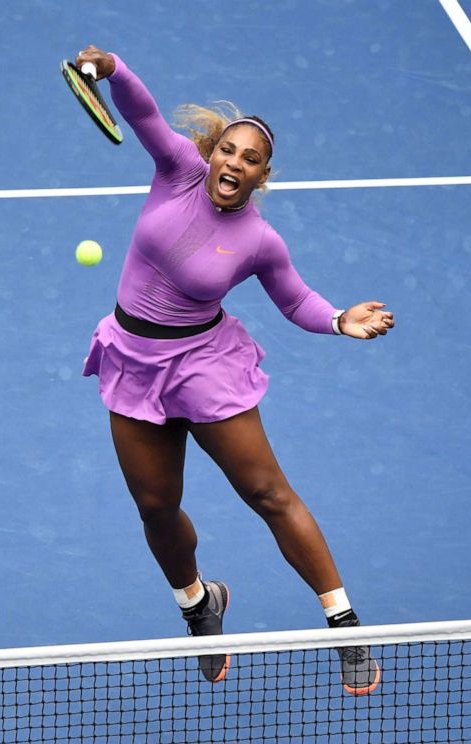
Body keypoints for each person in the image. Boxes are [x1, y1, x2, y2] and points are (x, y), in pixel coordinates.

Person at [76, 44, 394, 696]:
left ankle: (344, 625)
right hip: (135, 362)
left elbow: (295, 300)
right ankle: (199, 605)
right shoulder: (177, 171)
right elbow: (142, 115)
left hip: (204, 366)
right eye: (229, 150)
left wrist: (338, 318)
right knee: (156, 506)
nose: (235, 163)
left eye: (250, 160)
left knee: (268, 493)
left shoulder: (259, 241)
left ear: (261, 176)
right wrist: (113, 70)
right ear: (213, 152)